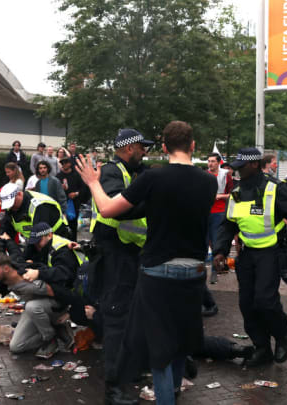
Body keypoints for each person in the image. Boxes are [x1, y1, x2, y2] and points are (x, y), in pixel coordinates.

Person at [76, 121, 213, 405]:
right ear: (193, 146)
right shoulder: (209, 181)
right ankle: (171, 389)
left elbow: (107, 208)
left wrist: (92, 182)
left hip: (157, 269)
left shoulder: (153, 178)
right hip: (195, 271)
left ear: (164, 147)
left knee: (160, 345)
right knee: (180, 339)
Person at [213, 148, 287, 368]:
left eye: (240, 166)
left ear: (254, 165)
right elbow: (229, 224)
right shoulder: (236, 191)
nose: (236, 170)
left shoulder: (275, 188)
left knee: (265, 301)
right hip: (246, 254)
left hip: (271, 252)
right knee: (247, 304)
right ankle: (262, 347)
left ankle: (282, 335)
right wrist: (220, 250)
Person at [77, 128, 150, 405]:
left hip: (132, 253)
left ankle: (130, 370)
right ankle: (113, 388)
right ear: (129, 148)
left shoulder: (137, 172)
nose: (145, 152)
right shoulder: (111, 172)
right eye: (142, 147)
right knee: (117, 318)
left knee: (132, 315)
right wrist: (153, 205)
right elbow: (121, 207)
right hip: (115, 254)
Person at [0, 253, 65, 358]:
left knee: (31, 306)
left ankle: (50, 339)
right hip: (33, 310)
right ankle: (56, 331)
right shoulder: (2, 282)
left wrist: (68, 313)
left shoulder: (28, 279)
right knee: (15, 347)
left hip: (52, 307)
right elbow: (15, 254)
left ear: (6, 269)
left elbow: (62, 293)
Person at [0, 182, 69, 241]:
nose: (10, 207)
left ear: (19, 194)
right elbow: (6, 231)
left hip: (58, 237)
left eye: (12, 203)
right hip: (36, 240)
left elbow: (40, 238)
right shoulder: (11, 207)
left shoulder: (39, 206)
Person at [206, 152, 233, 284]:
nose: (210, 164)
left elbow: (233, 194)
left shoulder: (225, 175)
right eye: (209, 161)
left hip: (219, 212)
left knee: (217, 241)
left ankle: (214, 272)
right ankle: (201, 272)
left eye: (213, 161)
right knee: (205, 242)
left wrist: (221, 196)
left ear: (218, 163)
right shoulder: (204, 175)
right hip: (205, 212)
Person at [55, 157, 84, 240]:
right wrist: (60, 188)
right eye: (62, 163)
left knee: (73, 225)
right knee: (62, 225)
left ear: (70, 164)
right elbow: (54, 190)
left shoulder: (76, 175)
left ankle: (73, 242)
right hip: (61, 204)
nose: (64, 164)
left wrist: (76, 193)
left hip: (74, 203)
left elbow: (83, 188)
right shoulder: (58, 176)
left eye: (66, 162)